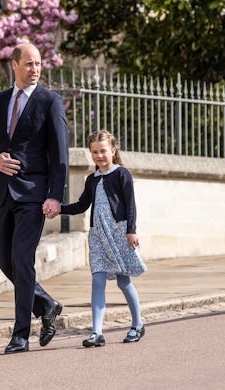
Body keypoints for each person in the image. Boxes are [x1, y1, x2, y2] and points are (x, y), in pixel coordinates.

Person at [0, 42, 68, 353]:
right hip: (2, 193)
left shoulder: (50, 102)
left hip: (33, 195)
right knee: (5, 261)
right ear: (14, 65)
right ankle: (46, 304)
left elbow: (60, 155)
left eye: (39, 64)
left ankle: (21, 334)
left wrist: (55, 196)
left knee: (22, 259)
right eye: (29, 64)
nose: (35, 69)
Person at [61, 129, 147, 347]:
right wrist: (58, 209)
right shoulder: (92, 179)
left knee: (123, 280)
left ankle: (137, 324)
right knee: (97, 280)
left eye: (103, 151)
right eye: (95, 152)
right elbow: (82, 205)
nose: (99, 156)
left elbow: (130, 205)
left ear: (113, 150)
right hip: (98, 235)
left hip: (119, 231)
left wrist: (132, 230)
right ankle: (97, 332)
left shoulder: (121, 174)